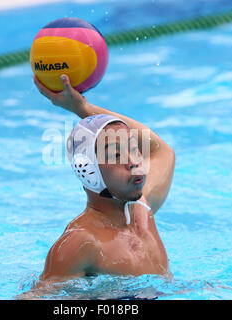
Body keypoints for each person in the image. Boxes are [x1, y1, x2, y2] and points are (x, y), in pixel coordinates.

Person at [26, 74, 175, 295]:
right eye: (116, 154)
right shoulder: (79, 243)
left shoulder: (143, 210)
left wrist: (83, 107)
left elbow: (162, 151)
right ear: (89, 170)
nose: (134, 162)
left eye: (134, 149)